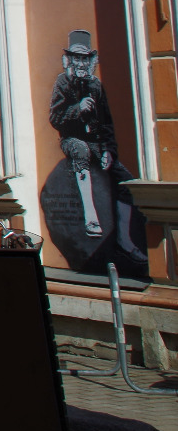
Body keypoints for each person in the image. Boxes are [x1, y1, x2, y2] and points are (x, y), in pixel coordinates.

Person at [50, 29, 145, 260]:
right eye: (76, 57)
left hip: (96, 142)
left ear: (90, 60)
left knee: (125, 180)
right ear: (70, 59)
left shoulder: (96, 85)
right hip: (72, 139)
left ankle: (123, 240)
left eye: (84, 58)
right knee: (80, 151)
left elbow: (107, 123)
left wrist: (108, 151)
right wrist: (76, 109)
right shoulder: (62, 82)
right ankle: (91, 219)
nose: (80, 62)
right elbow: (55, 118)